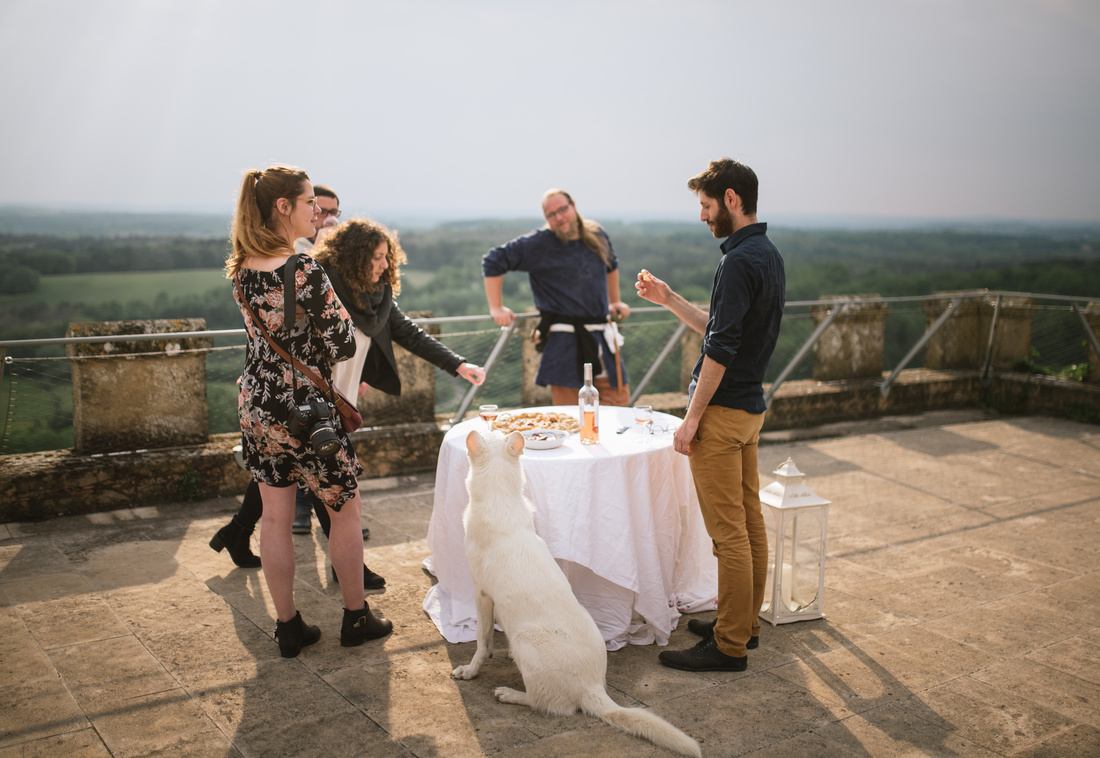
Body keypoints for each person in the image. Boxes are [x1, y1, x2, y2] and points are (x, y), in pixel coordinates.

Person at [225, 164, 391, 657]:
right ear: (283, 208)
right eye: (307, 203)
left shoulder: (241, 267)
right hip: (306, 409)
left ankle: (288, 626)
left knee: (274, 518)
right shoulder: (303, 270)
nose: (316, 211)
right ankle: (356, 618)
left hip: (257, 401)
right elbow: (341, 342)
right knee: (344, 509)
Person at [636, 158, 785, 673]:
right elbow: (722, 329)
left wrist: (692, 419)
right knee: (749, 522)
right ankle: (741, 624)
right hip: (749, 409)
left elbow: (719, 349)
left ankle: (728, 646)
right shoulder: (766, 253)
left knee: (729, 535)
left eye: (705, 205)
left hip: (722, 414)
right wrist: (669, 298)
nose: (702, 216)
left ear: (732, 200)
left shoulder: (738, 261)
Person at [290, 218, 486, 573]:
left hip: (344, 394)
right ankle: (349, 568)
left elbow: (409, 333)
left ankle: (239, 530)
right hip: (313, 394)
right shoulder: (327, 286)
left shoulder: (376, 295)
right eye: (377, 258)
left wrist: (457, 364)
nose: (385, 265)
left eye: (386, 257)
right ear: (355, 257)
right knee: (331, 479)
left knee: (300, 468)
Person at [482, 189, 631, 406]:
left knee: (619, 411)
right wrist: (496, 307)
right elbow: (493, 260)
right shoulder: (540, 243)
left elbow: (611, 265)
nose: (559, 217)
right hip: (565, 344)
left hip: (602, 338)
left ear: (574, 205)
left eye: (563, 209)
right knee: (571, 418)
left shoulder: (597, 234)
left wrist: (614, 301)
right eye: (551, 215)